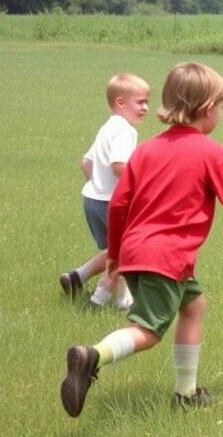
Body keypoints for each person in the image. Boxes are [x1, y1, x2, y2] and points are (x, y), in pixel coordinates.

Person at [60, 62, 223, 417]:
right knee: (148, 330)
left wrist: (115, 255)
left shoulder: (145, 151)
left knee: (194, 306)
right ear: (208, 108)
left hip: (137, 252)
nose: (221, 113)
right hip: (167, 258)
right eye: (221, 106)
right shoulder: (212, 152)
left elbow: (119, 204)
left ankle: (185, 394)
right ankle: (93, 355)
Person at [60, 74, 150, 310]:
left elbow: (86, 162)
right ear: (120, 102)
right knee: (126, 253)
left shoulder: (107, 127)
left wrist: (98, 184)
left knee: (116, 250)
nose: (146, 108)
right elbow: (119, 165)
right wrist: (144, 184)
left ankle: (84, 281)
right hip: (113, 204)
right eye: (140, 102)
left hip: (93, 200)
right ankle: (100, 300)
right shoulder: (125, 130)